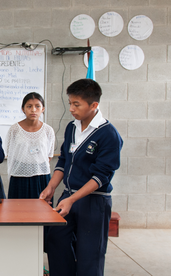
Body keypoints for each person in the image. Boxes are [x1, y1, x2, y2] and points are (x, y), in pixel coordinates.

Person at [40, 79, 123, 276]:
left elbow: (101, 177)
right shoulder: (72, 128)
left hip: (93, 202)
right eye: (70, 103)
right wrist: (51, 187)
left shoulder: (108, 134)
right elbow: (63, 161)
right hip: (67, 198)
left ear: (94, 105)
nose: (71, 108)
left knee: (90, 254)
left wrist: (72, 199)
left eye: (76, 104)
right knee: (55, 241)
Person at [6, 92, 55, 199]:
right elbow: (10, 153)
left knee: (42, 212)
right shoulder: (14, 129)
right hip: (19, 176)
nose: (33, 110)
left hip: (41, 176)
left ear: (43, 109)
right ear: (23, 109)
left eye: (37, 106)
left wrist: (35, 166)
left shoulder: (48, 130)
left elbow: (49, 155)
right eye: (29, 106)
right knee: (18, 211)